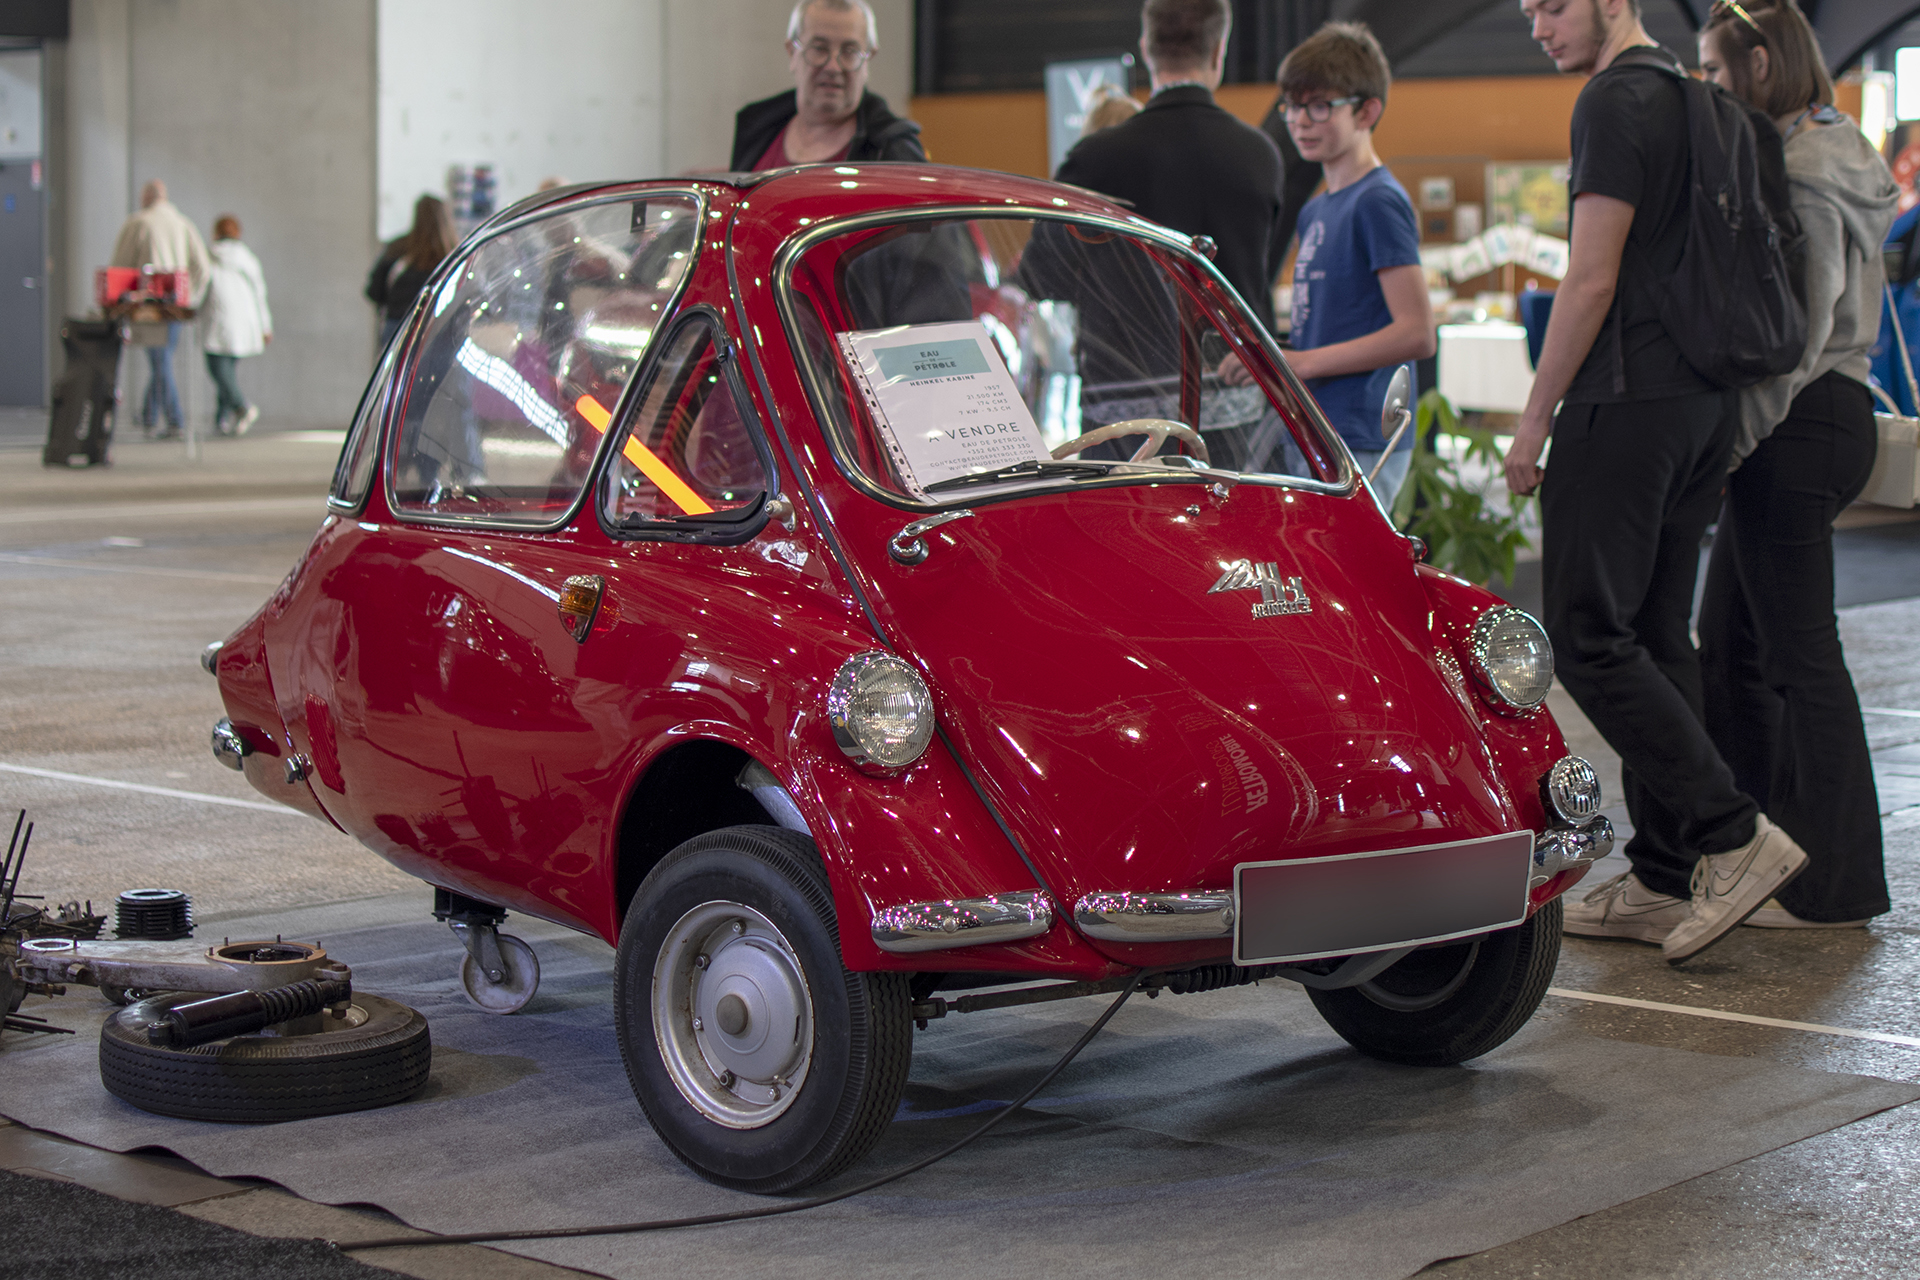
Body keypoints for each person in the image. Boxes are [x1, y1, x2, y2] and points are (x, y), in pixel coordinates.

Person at [1507, 0, 1809, 964]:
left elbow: (1589, 279)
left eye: (1553, 5)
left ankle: (1729, 835)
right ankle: (1666, 871)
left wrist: (1534, 413)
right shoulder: (1702, 100)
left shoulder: (1612, 102)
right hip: (1703, 406)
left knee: (1590, 638)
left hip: (1626, 401)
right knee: (1653, 631)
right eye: (1526, 11)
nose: (1539, 26)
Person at [1694, 0, 1896, 929]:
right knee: (1733, 644)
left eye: (1716, 68)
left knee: (1798, 653)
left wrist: (1727, 447)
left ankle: (1836, 879)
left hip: (1802, 423)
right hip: (1828, 417)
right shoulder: (1836, 145)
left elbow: (1798, 342)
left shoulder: (1808, 172)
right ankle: (1765, 853)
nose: (1708, 85)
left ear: (1763, 63)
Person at [1269, 21, 1433, 504]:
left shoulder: (1377, 200)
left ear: (1367, 111)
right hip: (1317, 426)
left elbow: (1417, 332)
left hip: (1361, 432)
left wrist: (1303, 362)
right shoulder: (1317, 208)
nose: (1300, 120)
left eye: (1319, 106)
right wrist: (1273, 356)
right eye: (1293, 107)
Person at [1054, 0, 1284, 332]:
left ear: (1146, 49)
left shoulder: (1095, 156)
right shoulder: (1262, 155)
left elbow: (1046, 276)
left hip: (1127, 376)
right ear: (1219, 51)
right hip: (1237, 371)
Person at [731, 0, 925, 170]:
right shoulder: (755, 125)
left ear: (868, 59)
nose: (833, 67)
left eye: (850, 51)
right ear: (792, 52)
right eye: (819, 48)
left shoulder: (892, 150)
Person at [111, 180, 210, 440]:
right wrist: (190, 299)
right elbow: (203, 267)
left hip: (149, 306)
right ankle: (149, 415)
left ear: (146, 197)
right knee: (161, 359)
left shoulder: (139, 222)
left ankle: (175, 419)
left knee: (159, 360)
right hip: (177, 305)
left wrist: (119, 302)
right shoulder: (183, 224)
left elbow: (120, 268)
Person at [200, 215, 272, 436]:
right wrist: (265, 325)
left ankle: (242, 407)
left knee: (218, 368)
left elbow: (201, 287)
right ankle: (221, 420)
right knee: (228, 369)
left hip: (220, 317)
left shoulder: (209, 257)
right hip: (244, 321)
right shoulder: (248, 258)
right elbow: (260, 293)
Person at [367, 195, 457, 352]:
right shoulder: (453, 254)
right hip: (439, 330)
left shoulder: (398, 247)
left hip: (398, 328)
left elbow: (374, 291)